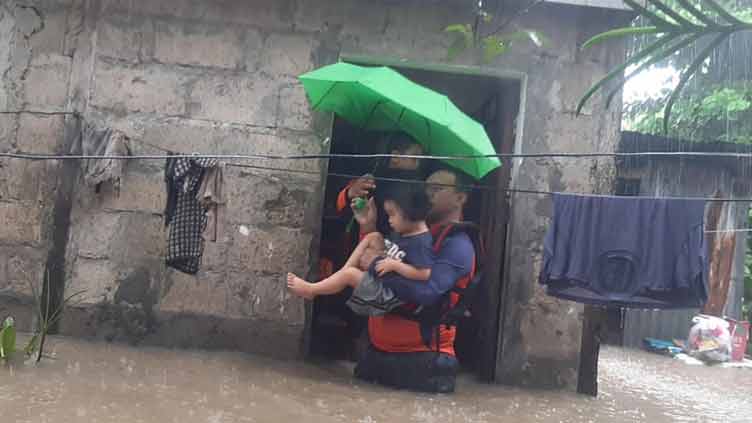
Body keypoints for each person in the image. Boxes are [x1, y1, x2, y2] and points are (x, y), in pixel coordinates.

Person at [352, 168, 477, 393]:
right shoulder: (413, 234)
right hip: (376, 351)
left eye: (437, 189)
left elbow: (428, 294)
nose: (427, 193)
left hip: (422, 361)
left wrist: (375, 266)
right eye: (425, 187)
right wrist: (367, 226)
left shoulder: (458, 245)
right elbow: (376, 265)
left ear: (461, 198)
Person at [288, 184, 434, 316]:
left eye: (392, 215)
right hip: (386, 276)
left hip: (390, 296)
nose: (389, 220)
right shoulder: (406, 232)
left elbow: (424, 273)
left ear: (409, 213)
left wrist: (395, 265)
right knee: (373, 236)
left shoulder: (421, 242)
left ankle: (312, 290)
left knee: (350, 275)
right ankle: (340, 275)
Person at [336, 133, 426, 238]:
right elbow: (341, 207)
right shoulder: (369, 180)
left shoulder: (414, 185)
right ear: (395, 157)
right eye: (414, 158)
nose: (418, 165)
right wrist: (351, 192)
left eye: (420, 160)